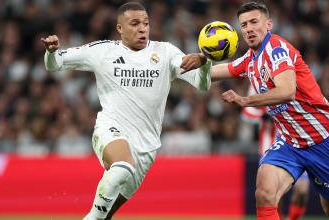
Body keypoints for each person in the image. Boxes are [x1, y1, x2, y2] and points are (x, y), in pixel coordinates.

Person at [41, 2, 211, 219]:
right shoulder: (102, 50)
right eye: (135, 23)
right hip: (110, 129)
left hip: (147, 148)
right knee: (122, 166)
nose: (143, 28)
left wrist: (204, 62)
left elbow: (202, 85)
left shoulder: (166, 52)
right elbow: (54, 64)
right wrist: (51, 51)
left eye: (146, 23)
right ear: (120, 28)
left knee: (105, 215)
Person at [211, 2, 329, 219]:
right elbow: (222, 70)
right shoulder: (251, 59)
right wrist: (179, 68)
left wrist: (246, 100)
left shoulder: (277, 49)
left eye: (253, 22)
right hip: (290, 143)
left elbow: (287, 91)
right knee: (265, 192)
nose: (248, 28)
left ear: (268, 25)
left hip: (322, 140)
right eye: (244, 24)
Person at [242, 87, 309, 220]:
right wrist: (263, 115)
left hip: (296, 143)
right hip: (271, 145)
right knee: (274, 195)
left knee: (302, 190)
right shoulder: (257, 79)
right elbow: (247, 112)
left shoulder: (295, 77)